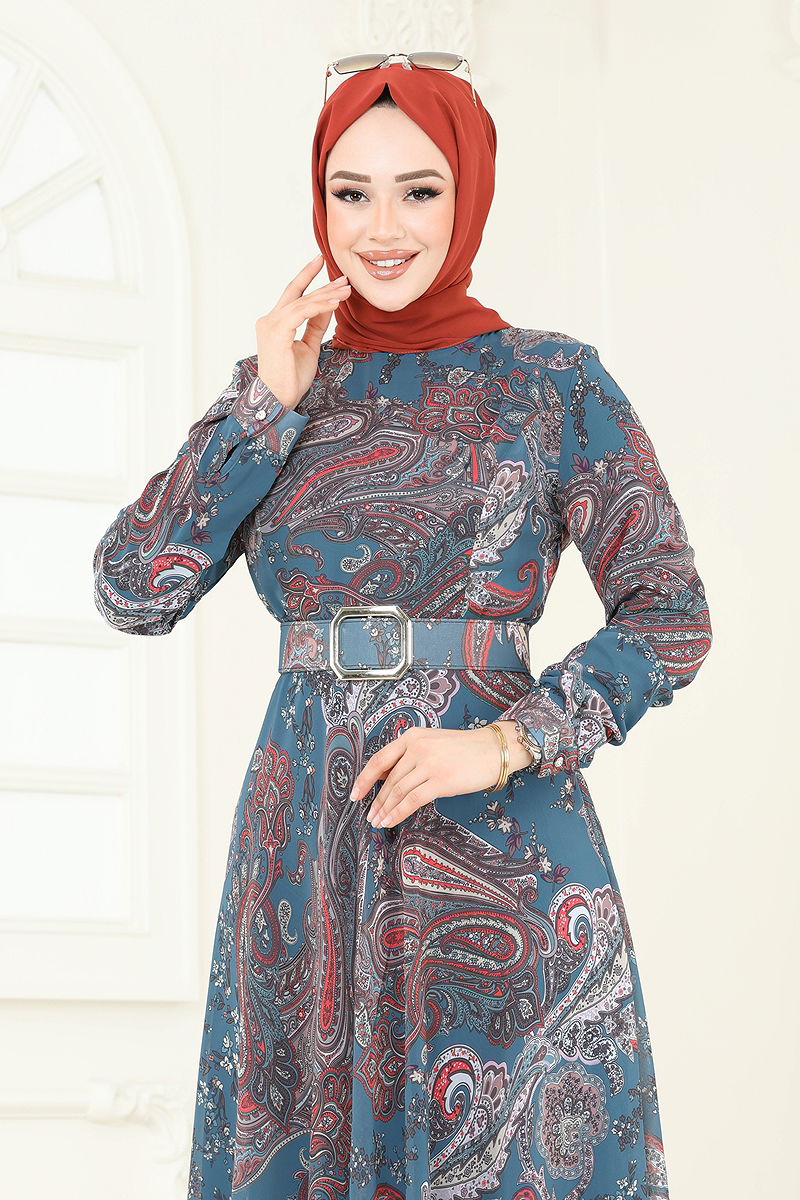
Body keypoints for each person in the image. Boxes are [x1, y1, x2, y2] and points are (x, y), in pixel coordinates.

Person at [92, 54, 713, 1200]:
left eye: (418, 191)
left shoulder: (552, 384)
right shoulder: (284, 388)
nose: (380, 229)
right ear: (319, 202)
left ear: (467, 193)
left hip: (498, 844)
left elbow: (667, 615)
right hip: (304, 850)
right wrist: (261, 407)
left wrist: (506, 742)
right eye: (351, 193)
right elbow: (134, 590)